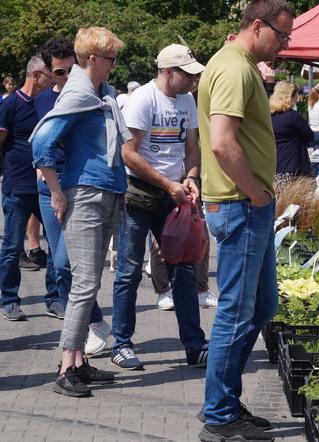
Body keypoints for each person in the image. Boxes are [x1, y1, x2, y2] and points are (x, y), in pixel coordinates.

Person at [197, 0, 294, 440]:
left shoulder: (237, 63)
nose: (285, 44)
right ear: (258, 26)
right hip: (239, 203)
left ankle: (225, 401)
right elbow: (221, 142)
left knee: (260, 306)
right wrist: (256, 193)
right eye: (282, 35)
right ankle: (219, 414)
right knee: (237, 312)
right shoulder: (235, 68)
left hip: (242, 204)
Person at [31, 26, 127, 397]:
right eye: (111, 59)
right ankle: (66, 368)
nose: (114, 65)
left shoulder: (102, 93)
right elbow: (41, 141)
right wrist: (55, 191)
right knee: (84, 283)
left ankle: (79, 363)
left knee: (89, 283)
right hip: (85, 192)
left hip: (107, 191)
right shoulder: (77, 92)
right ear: (92, 59)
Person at [109, 44, 208, 371]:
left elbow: (192, 147)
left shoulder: (188, 100)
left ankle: (194, 345)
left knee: (184, 269)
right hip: (138, 197)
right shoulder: (143, 100)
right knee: (129, 271)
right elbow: (129, 154)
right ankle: (121, 343)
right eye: (188, 74)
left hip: (173, 196)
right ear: (169, 72)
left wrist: (192, 176)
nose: (194, 79)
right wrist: (169, 185)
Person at [35, 36, 111, 354]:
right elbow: (38, 143)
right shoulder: (44, 100)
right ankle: (82, 337)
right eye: (59, 72)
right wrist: (50, 182)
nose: (66, 76)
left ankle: (86, 333)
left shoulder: (92, 93)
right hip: (52, 188)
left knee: (74, 265)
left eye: (71, 69)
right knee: (62, 264)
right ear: (50, 73)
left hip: (80, 186)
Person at [0, 55, 61, 322]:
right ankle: (9, 299)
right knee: (12, 247)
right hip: (18, 186)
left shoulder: (46, 103)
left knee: (56, 246)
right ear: (36, 75)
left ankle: (54, 298)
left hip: (46, 186)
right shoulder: (10, 104)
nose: (53, 80)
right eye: (50, 75)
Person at [271, 80, 313, 177]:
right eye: (297, 94)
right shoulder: (293, 116)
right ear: (291, 96)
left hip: (275, 165)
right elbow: (310, 136)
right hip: (293, 166)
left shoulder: (270, 116)